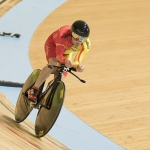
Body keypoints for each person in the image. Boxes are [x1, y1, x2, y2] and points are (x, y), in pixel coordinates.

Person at [28, 20, 91, 104]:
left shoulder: (86, 45)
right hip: (53, 45)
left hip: (66, 52)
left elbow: (77, 61)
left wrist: (78, 67)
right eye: (76, 36)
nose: (78, 41)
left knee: (62, 74)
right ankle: (34, 88)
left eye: (82, 38)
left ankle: (48, 92)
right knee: (53, 63)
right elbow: (58, 56)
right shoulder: (63, 34)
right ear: (71, 33)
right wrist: (66, 61)